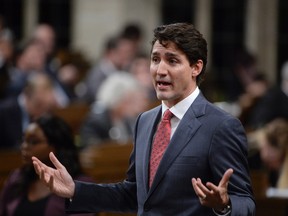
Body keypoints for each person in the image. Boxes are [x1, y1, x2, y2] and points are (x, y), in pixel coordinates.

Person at [32, 23, 255, 215]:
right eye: (155, 59)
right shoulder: (146, 121)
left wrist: (224, 205)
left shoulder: (221, 125)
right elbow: (133, 195)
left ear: (196, 67)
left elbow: (245, 203)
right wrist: (75, 190)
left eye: (172, 61)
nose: (160, 70)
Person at [0, 114, 95, 216]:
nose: (24, 146)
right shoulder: (17, 177)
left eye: (33, 142)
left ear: (56, 146)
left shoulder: (79, 185)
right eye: (24, 140)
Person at [80, 72, 149, 147]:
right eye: (130, 101)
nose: (135, 106)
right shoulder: (96, 123)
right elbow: (93, 150)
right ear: (117, 100)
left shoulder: (127, 120)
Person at [0, 72, 58, 149]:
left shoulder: (46, 114)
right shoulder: (3, 112)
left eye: (45, 107)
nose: (41, 112)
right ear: (27, 94)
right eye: (38, 105)